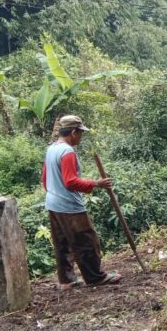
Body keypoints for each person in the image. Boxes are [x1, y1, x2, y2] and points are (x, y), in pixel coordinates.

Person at [42, 115, 121, 290]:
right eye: (80, 133)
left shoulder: (51, 149)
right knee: (86, 241)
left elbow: (44, 179)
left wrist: (55, 194)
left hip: (53, 204)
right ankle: (95, 277)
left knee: (62, 243)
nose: (81, 138)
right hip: (69, 206)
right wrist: (96, 183)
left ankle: (66, 280)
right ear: (73, 132)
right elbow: (70, 181)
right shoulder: (67, 152)